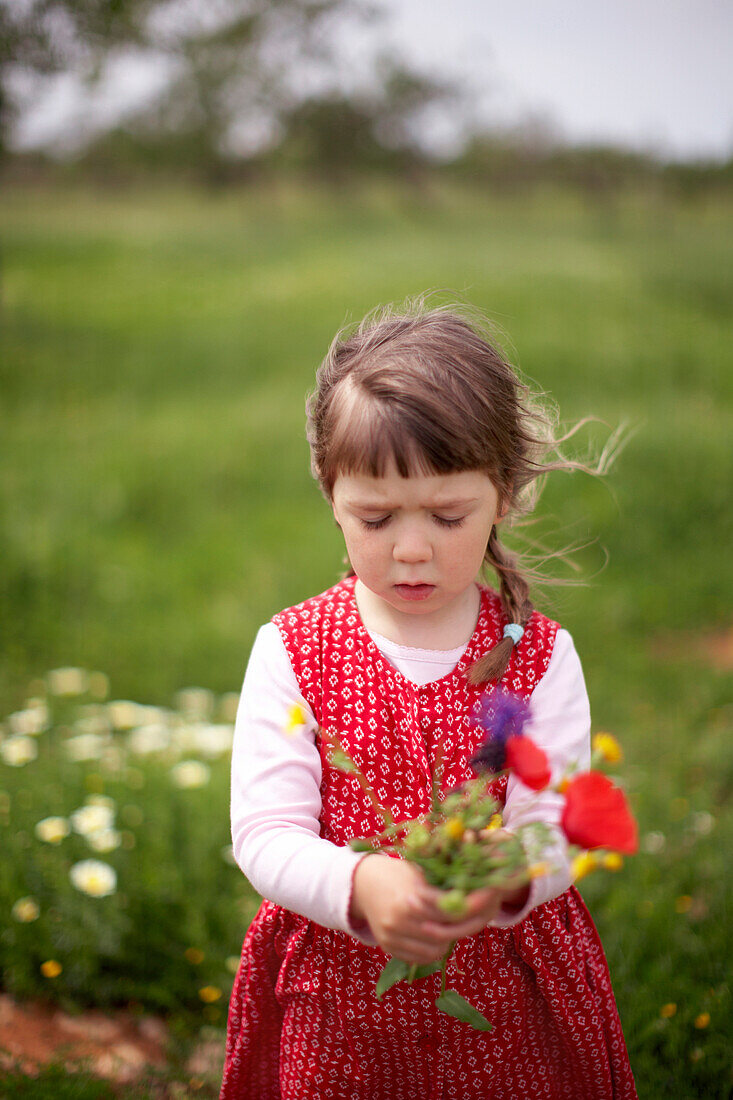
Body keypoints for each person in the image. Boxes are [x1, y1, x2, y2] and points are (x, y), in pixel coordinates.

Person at [220, 297, 638, 1100]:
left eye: (448, 516)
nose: (411, 550)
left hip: (504, 997)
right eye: (374, 518)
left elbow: (557, 821)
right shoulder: (294, 649)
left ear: (503, 493)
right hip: (339, 999)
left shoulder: (537, 655)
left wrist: (506, 879)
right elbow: (265, 832)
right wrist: (357, 885)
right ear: (329, 494)